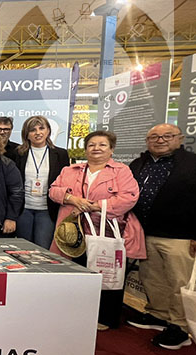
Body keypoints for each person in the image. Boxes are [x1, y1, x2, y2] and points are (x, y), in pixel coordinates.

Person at [126, 124, 196, 349]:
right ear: (147, 141)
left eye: (167, 136)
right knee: (152, 279)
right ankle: (158, 315)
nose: (160, 140)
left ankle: (179, 327)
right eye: (154, 137)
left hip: (183, 238)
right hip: (145, 234)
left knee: (181, 282)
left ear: (180, 139)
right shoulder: (139, 164)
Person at [49, 130, 145, 331]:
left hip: (107, 231)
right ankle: (74, 313)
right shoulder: (70, 170)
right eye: (92, 144)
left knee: (106, 273)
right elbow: (54, 190)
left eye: (102, 145)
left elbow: (129, 198)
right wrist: (73, 199)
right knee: (74, 271)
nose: (96, 148)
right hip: (73, 232)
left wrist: (95, 205)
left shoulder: (121, 171)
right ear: (85, 149)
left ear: (111, 149)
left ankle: (105, 317)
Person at [14, 116, 70, 249]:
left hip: (47, 210)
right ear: (26, 134)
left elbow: (65, 182)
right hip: (24, 209)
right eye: (32, 130)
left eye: (41, 128)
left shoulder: (60, 154)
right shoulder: (18, 153)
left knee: (42, 249)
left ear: (48, 131)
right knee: (23, 250)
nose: (38, 133)